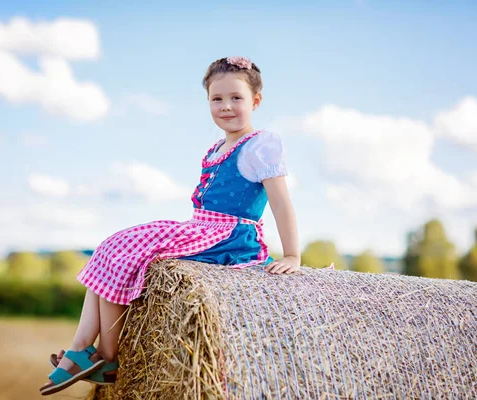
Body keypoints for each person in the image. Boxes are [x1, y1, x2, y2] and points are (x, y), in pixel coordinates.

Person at [39, 56, 313, 396]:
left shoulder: (261, 144)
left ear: (256, 101)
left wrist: (292, 255)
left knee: (126, 251)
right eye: (217, 99)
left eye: (236, 98)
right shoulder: (216, 148)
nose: (226, 106)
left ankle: (108, 355)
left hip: (228, 235)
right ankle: (82, 345)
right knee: (113, 245)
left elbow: (281, 202)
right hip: (202, 228)